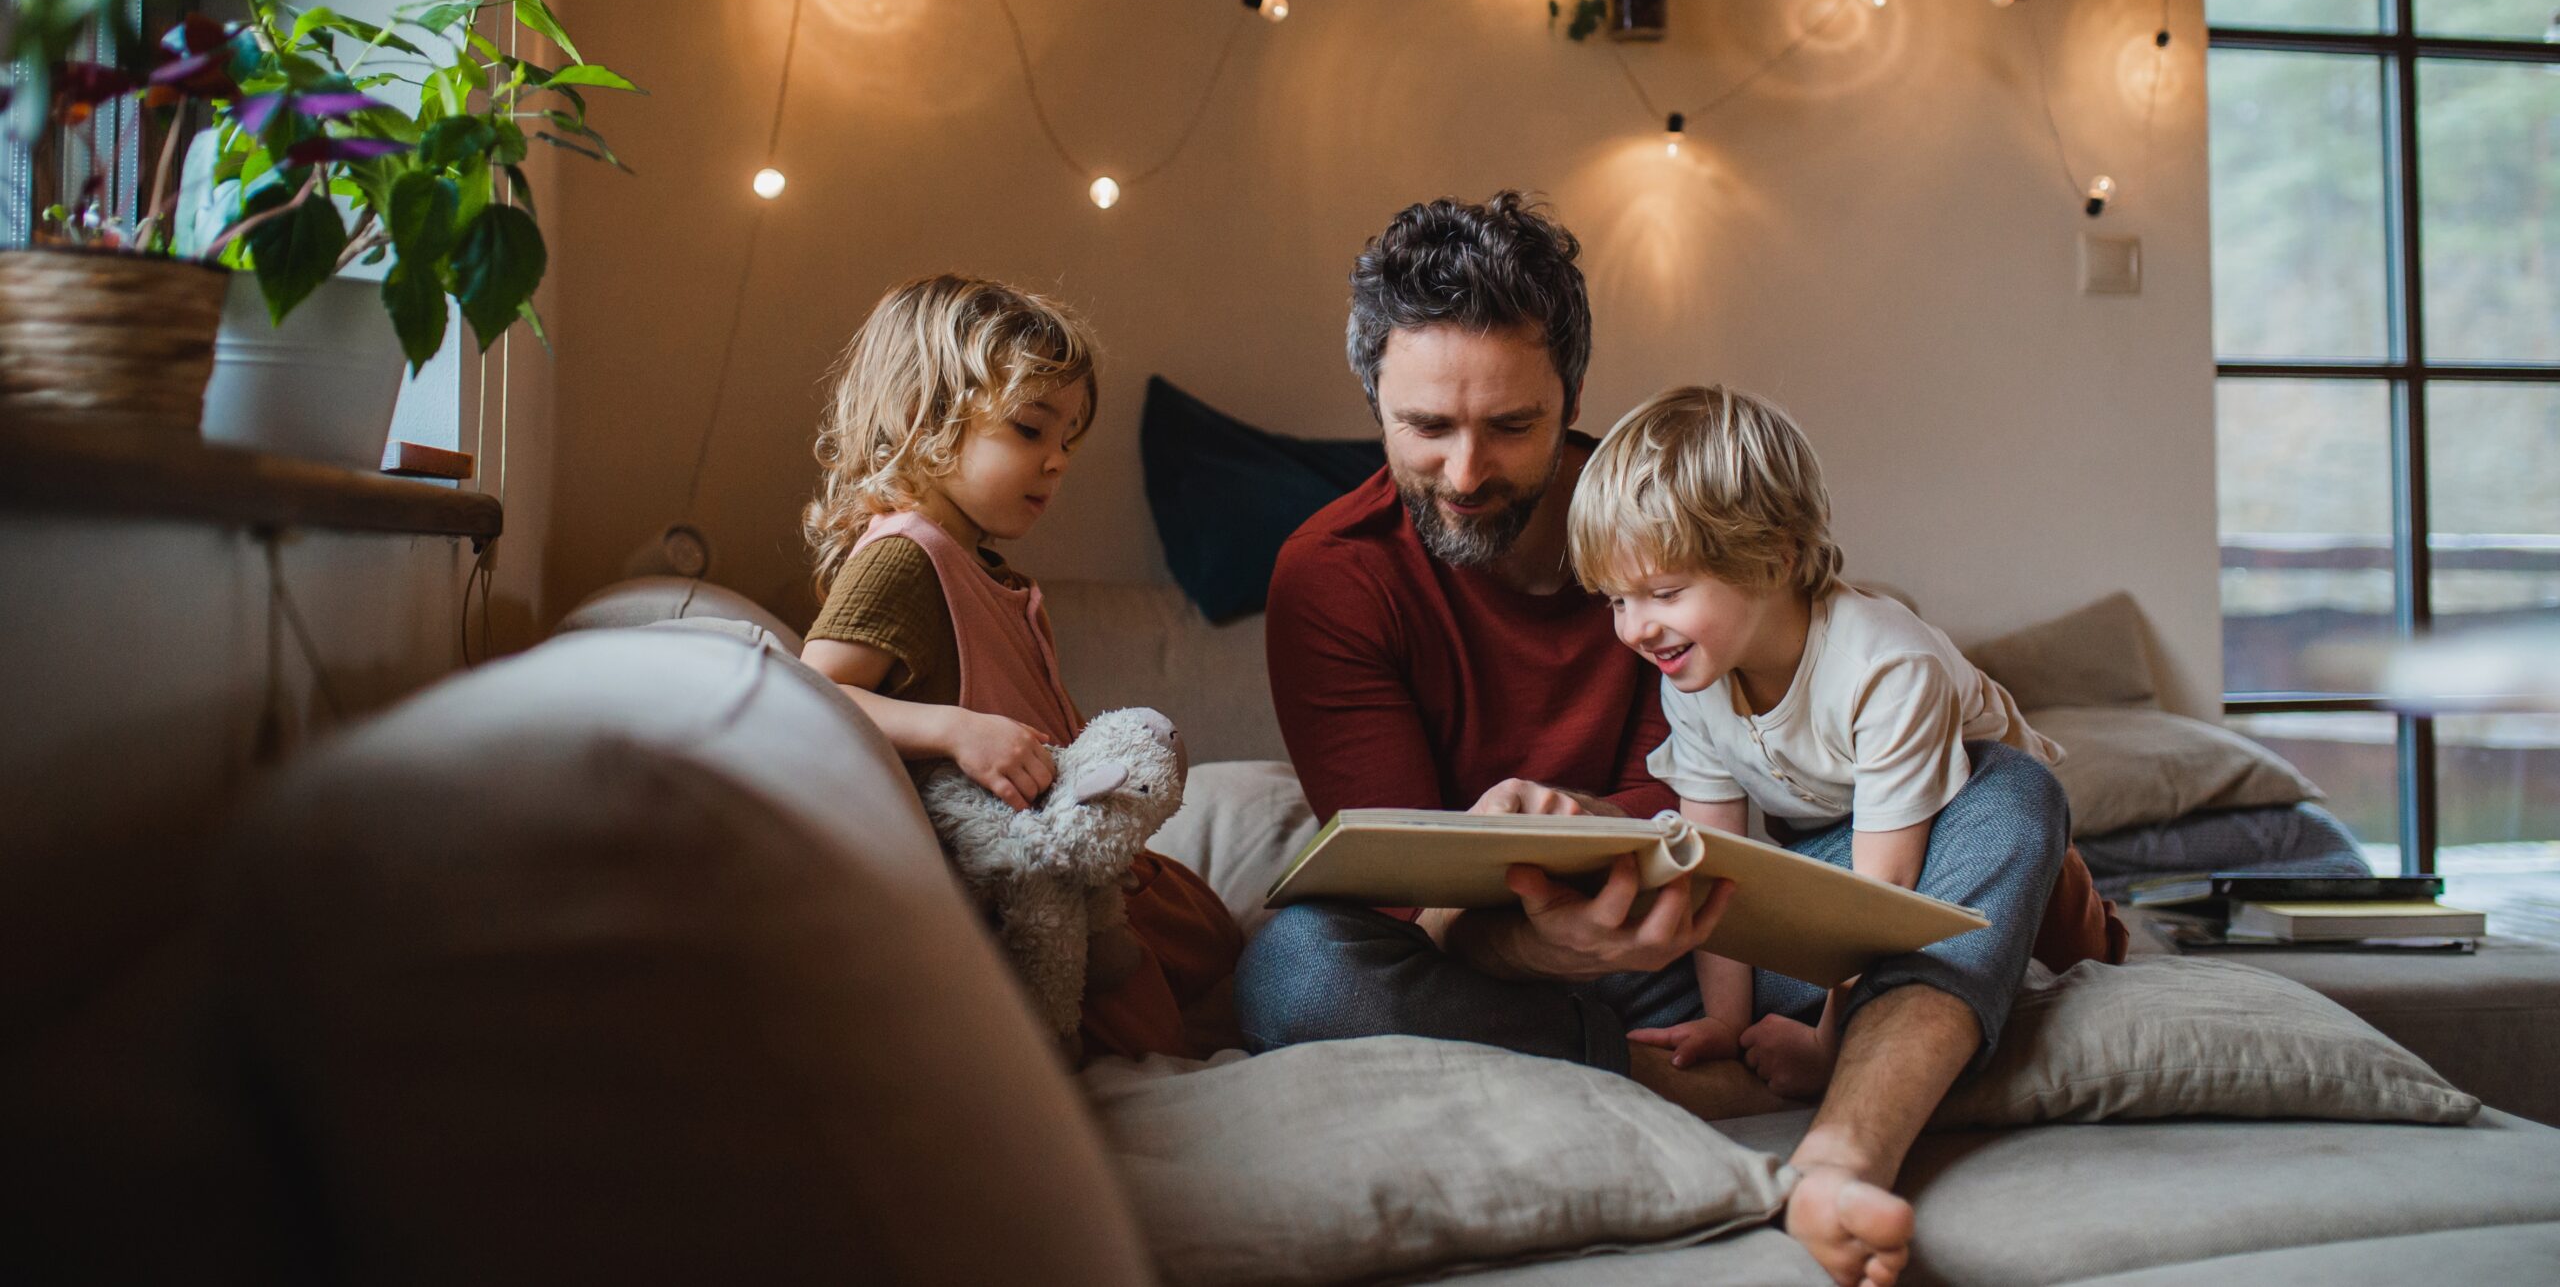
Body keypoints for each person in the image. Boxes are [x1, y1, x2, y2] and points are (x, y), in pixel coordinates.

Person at [1236, 195, 2111, 1287]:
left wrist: (1612, 840)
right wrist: (1548, 937)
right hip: (1510, 971)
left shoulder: (1681, 516)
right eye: (1425, 428)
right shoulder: (1333, 577)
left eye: (1511, 426)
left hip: (1742, 925)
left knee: (2007, 795)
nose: (1465, 474)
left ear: (1571, 400)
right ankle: (1742, 1084)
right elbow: (1404, 907)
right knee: (1295, 966)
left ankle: (1844, 1144)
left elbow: (1771, 815)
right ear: (1374, 400)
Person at [1565, 384, 2124, 1106]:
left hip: (1971, 827)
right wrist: (1724, 1021)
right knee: (1672, 933)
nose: (1634, 628)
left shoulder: (1884, 665)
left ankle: (2094, 936)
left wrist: (1830, 1043)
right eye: (1616, 600)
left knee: (2073, 951)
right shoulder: (1691, 678)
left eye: (1664, 592)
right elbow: (1713, 864)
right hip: (1840, 840)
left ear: (1774, 555)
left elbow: (1879, 893)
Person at [797, 273, 1239, 1061]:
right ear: (920, 420)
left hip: (1063, 846)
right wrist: (954, 728)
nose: (1059, 460)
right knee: (1180, 983)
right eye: (1031, 430)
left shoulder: (974, 562)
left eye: (1068, 437)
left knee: (1208, 922)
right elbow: (812, 693)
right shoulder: (906, 554)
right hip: (1015, 889)